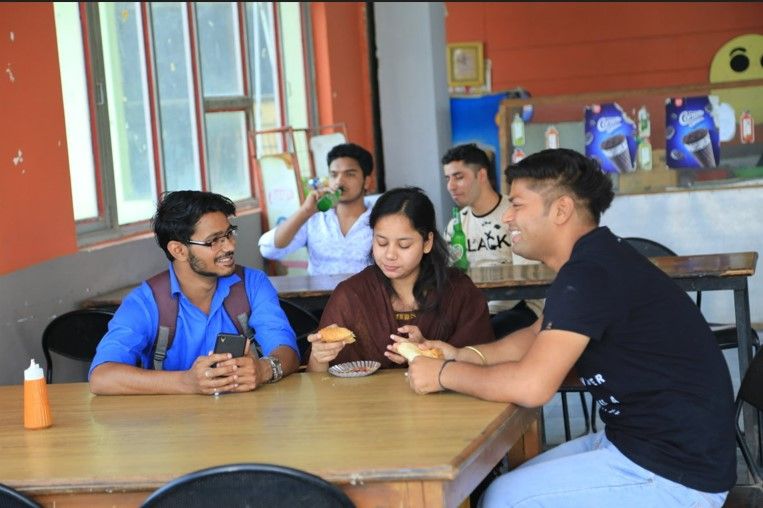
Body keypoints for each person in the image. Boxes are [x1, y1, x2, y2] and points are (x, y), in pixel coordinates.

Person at [405, 148, 736, 507]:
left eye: (517, 205)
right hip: (640, 445)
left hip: (674, 472)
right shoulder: (594, 261)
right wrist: (465, 354)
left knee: (502, 500)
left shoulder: (590, 273)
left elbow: (532, 387)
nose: (507, 218)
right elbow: (535, 336)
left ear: (561, 210)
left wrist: (443, 375)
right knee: (495, 485)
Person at [89, 190, 299, 395]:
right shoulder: (146, 302)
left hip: (242, 420)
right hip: (171, 425)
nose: (230, 246)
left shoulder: (253, 284)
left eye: (229, 233)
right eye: (214, 240)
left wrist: (264, 369)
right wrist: (186, 382)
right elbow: (101, 377)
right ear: (178, 250)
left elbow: (286, 348)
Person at [306, 186, 495, 372]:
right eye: (381, 242)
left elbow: (482, 364)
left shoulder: (458, 291)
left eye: (403, 245)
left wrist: (428, 352)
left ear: (427, 242)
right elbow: (317, 380)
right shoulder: (352, 294)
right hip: (368, 402)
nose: (390, 254)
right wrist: (319, 356)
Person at [442, 143, 543, 337]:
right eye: (448, 178)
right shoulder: (457, 223)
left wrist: (478, 314)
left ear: (481, 175)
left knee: (481, 334)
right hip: (476, 310)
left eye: (459, 177)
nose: (451, 186)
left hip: (521, 307)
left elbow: (526, 278)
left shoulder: (514, 214)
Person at [258, 142, 375, 275]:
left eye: (349, 174)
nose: (339, 181)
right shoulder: (314, 219)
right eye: (334, 175)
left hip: (364, 295)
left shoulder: (379, 220)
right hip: (319, 295)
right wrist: (305, 212)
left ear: (366, 182)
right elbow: (269, 250)